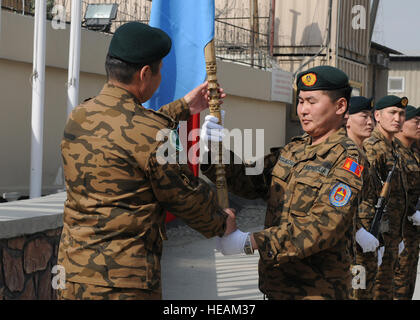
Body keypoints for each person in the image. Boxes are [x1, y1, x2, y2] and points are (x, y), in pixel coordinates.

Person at [57, 22, 236, 300]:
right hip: (123, 283)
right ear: (144, 73)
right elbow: (184, 196)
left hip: (73, 274)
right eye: (160, 70)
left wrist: (183, 108)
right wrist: (221, 221)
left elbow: (127, 131)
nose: (160, 77)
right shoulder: (151, 134)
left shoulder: (80, 115)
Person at [201, 65, 370, 299]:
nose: (303, 110)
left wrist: (249, 242)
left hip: (317, 290)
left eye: (312, 101)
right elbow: (250, 180)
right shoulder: (294, 149)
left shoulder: (348, 158)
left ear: (340, 106)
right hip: (277, 286)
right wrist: (214, 149)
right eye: (301, 101)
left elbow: (323, 226)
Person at [363, 95, 409, 300]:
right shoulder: (373, 146)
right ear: (378, 116)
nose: (398, 118)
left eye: (401, 113)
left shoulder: (395, 147)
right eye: (392, 113)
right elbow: (367, 195)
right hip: (377, 238)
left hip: (392, 236)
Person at [345, 96, 380, 300]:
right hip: (350, 248)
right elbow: (340, 202)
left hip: (366, 243)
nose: (370, 122)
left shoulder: (362, 154)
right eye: (363, 116)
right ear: (347, 119)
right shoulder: (348, 155)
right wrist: (358, 231)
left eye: (370, 117)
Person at [393, 105, 420, 300]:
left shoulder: (413, 152)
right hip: (398, 233)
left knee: (407, 286)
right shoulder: (394, 153)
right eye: (416, 122)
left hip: (411, 235)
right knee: (395, 287)